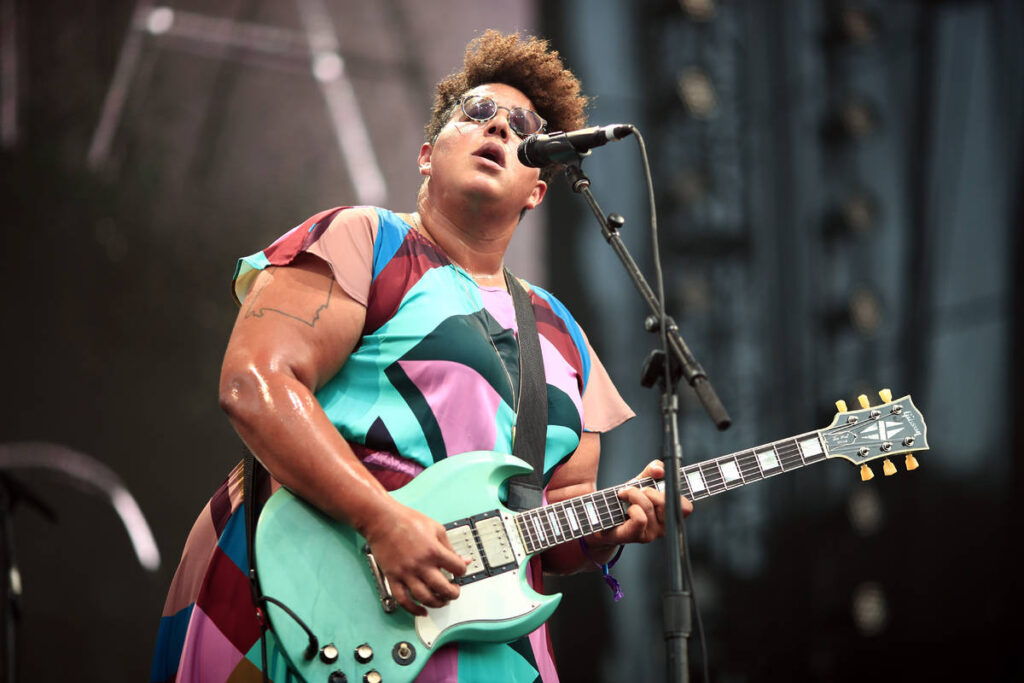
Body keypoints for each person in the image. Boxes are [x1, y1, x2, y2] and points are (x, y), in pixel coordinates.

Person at [150, 30, 692, 683]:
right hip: (307, 606)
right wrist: (380, 518)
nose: (498, 128)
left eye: (522, 126)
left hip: (486, 645)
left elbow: (554, 525)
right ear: (428, 155)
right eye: (477, 113)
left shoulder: (562, 332)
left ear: (538, 190)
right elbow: (253, 381)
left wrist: (609, 527)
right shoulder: (367, 239)